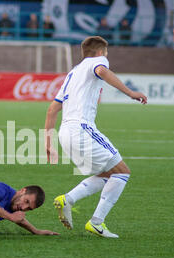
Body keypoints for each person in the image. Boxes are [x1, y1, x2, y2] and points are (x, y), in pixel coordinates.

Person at [44, 36, 147, 238]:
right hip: (82, 129)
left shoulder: (73, 73)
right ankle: (96, 222)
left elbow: (51, 110)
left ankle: (68, 199)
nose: (106, 57)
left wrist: (48, 143)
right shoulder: (98, 62)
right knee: (122, 172)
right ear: (100, 52)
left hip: (66, 132)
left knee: (108, 174)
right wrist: (130, 93)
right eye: (106, 53)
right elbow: (101, 71)